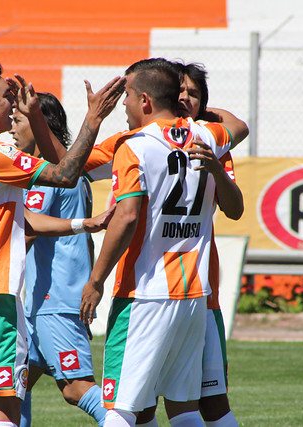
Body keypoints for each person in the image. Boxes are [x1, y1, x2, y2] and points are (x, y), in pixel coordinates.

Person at [0, 63, 124, 427]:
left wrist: (82, 224)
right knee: (6, 413)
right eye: (5, 98)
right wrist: (94, 117)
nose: (14, 106)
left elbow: (23, 217)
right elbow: (66, 173)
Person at [78, 58, 236, 427]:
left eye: (128, 96)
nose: (124, 104)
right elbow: (238, 128)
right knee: (183, 410)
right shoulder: (207, 136)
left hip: (144, 294)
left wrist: (96, 280)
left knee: (119, 409)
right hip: (193, 296)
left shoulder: (134, 146)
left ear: (145, 100)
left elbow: (127, 215)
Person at [134, 62, 244, 427]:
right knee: (145, 406)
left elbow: (235, 208)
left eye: (192, 94)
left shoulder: (210, 143)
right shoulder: (140, 141)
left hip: (199, 294)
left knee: (209, 404)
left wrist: (208, 124)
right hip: (151, 289)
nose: (183, 98)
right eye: (178, 91)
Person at [10, 92, 107, 426]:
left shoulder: (48, 174)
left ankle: (123, 421)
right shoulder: (76, 175)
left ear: (40, 127)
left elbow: (30, 229)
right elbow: (86, 242)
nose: (11, 128)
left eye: (18, 120)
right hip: (48, 302)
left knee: (76, 389)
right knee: (13, 388)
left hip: (55, 301)